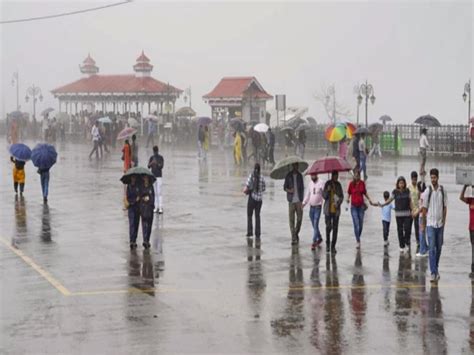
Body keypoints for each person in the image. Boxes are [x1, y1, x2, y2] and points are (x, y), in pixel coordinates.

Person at [420, 168, 448, 283]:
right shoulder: (427, 191)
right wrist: (423, 224)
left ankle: (435, 268)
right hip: (430, 224)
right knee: (431, 249)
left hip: (440, 224)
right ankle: (433, 272)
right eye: (431, 177)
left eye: (435, 177)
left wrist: (444, 222)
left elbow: (445, 207)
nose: (433, 179)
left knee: (439, 247)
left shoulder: (442, 190)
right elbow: (424, 209)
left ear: (438, 177)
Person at [379, 176, 414, 253]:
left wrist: (413, 211)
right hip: (398, 215)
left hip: (407, 214)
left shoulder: (407, 191)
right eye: (400, 183)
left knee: (407, 229)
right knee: (400, 230)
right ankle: (401, 246)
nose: (401, 184)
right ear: (398, 184)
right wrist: (383, 204)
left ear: (404, 183)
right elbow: (390, 200)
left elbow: (410, 201)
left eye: (402, 183)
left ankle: (406, 242)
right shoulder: (395, 192)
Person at [347, 169, 375, 248]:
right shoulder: (351, 184)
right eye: (355, 175)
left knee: (360, 225)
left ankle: (358, 236)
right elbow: (349, 193)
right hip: (353, 207)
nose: (357, 177)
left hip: (361, 207)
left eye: (358, 175)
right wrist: (347, 199)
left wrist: (369, 199)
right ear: (354, 176)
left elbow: (365, 192)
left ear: (359, 175)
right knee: (356, 223)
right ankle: (358, 240)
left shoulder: (362, 183)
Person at [322, 171, 344, 254]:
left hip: (336, 210)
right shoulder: (327, 183)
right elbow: (324, 196)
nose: (336, 177)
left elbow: (341, 196)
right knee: (328, 227)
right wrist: (327, 190)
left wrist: (337, 203)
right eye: (335, 176)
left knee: (335, 229)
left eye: (337, 176)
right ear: (332, 176)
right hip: (328, 210)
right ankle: (327, 244)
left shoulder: (338, 185)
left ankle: (333, 246)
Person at [284, 163, 304, 245]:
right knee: (291, 220)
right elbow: (284, 187)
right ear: (293, 166)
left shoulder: (300, 176)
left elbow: (302, 188)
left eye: (297, 165)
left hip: (299, 201)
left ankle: (295, 233)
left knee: (299, 219)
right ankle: (293, 237)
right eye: (295, 165)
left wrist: (302, 200)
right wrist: (289, 190)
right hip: (291, 201)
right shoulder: (288, 176)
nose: (296, 167)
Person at [244, 163, 266, 240]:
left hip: (252, 198)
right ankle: (258, 233)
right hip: (259, 200)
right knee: (257, 216)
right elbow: (263, 188)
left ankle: (250, 232)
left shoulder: (251, 176)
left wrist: (246, 191)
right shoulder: (262, 178)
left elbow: (246, 186)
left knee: (249, 216)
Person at [303, 172, 325, 251]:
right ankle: (319, 237)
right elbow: (307, 195)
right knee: (314, 224)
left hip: (318, 207)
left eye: (314, 175)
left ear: (317, 175)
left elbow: (324, 194)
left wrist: (324, 191)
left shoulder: (321, 183)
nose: (312, 177)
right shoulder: (310, 184)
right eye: (311, 175)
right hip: (311, 207)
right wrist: (304, 203)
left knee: (316, 223)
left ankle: (314, 241)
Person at [460, 184, 474, 277]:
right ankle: (473, 270)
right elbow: (461, 197)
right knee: (473, 249)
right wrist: (465, 186)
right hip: (471, 228)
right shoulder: (471, 200)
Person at [139, 175, 155, 249]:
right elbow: (139, 197)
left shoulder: (151, 187)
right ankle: (145, 240)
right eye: (144, 178)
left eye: (147, 178)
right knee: (144, 225)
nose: (146, 179)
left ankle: (147, 239)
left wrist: (150, 201)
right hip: (143, 208)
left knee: (149, 225)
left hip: (149, 208)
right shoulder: (141, 187)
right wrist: (143, 199)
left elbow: (153, 197)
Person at [148, 146, 164, 214]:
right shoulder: (151, 158)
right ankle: (155, 207)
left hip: (159, 177)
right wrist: (152, 163)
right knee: (154, 192)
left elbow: (161, 166)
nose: (155, 153)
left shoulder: (160, 157)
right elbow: (148, 166)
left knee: (159, 192)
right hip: (153, 176)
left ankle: (160, 207)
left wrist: (156, 163)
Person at [414, 181, 428, 258]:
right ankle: (425, 248)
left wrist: (416, 213)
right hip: (422, 215)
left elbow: (422, 207)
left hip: (422, 216)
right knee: (422, 233)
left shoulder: (422, 195)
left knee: (421, 234)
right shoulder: (424, 195)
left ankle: (422, 251)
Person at [408, 171, 421, 253]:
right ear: (411, 178)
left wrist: (417, 210)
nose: (414, 181)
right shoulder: (408, 187)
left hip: (417, 210)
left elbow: (420, 198)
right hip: (410, 210)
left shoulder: (418, 187)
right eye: (413, 179)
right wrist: (411, 210)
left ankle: (418, 241)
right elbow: (408, 200)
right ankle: (408, 240)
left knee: (417, 227)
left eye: (415, 179)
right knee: (408, 226)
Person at [126, 175, 141, 250]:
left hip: (137, 208)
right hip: (131, 208)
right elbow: (128, 198)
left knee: (136, 224)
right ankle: (131, 240)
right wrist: (135, 200)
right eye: (132, 178)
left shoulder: (138, 186)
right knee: (131, 224)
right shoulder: (128, 187)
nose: (133, 179)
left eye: (134, 178)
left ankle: (134, 239)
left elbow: (140, 196)